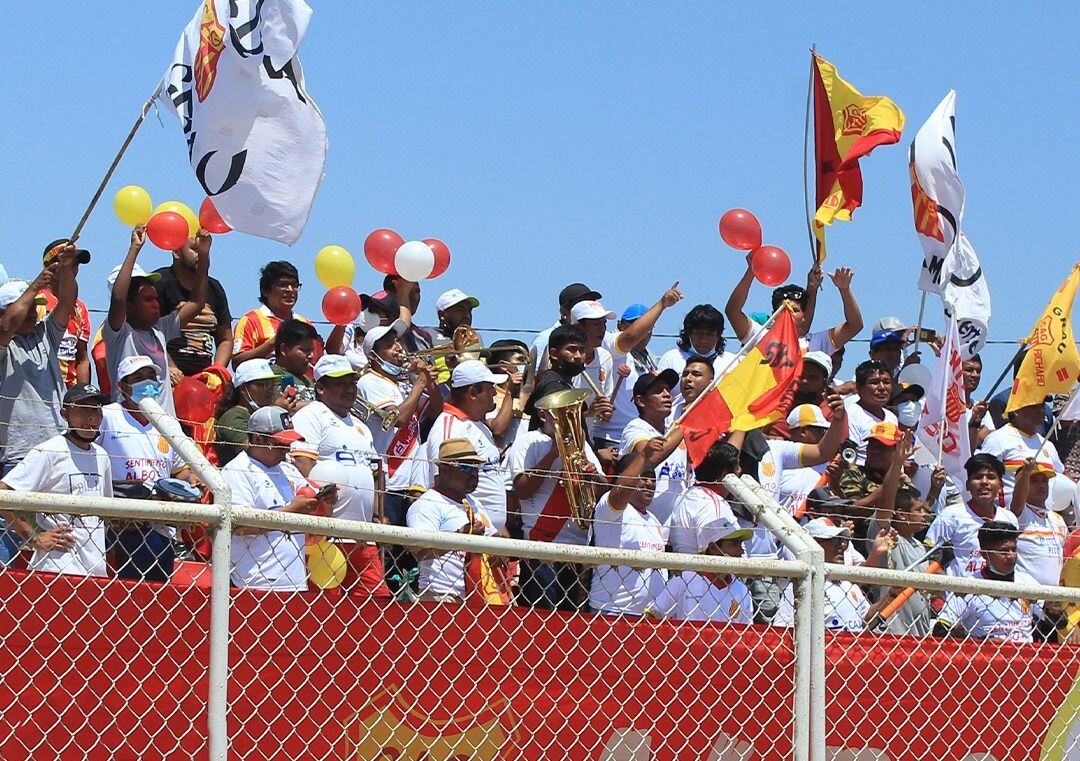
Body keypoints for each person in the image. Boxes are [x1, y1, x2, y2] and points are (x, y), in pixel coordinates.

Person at [290, 354, 389, 598]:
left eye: (352, 383)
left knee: (377, 601)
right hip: (327, 534)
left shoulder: (361, 425)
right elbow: (303, 462)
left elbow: (374, 472)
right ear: (321, 388)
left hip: (363, 534)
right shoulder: (311, 414)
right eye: (340, 384)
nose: (349, 389)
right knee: (326, 604)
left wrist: (378, 513)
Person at [97, 356, 199, 581]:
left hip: (161, 525)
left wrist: (189, 481)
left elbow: (180, 470)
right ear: (123, 386)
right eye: (138, 378)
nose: (148, 382)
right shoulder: (108, 416)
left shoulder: (167, 422)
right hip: (122, 523)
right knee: (124, 589)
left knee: (157, 589)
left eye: (151, 376)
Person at [0, 383, 113, 577]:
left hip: (95, 567)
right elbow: (4, 494)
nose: (91, 417)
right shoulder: (49, 451)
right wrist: (34, 538)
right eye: (83, 408)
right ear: (64, 414)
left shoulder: (102, 456)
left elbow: (107, 512)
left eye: (96, 409)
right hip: (57, 565)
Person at [220, 406, 337, 591]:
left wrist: (326, 498)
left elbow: (314, 501)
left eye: (289, 443)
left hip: (295, 580)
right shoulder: (237, 470)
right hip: (255, 582)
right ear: (258, 439)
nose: (287, 449)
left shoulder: (288, 469)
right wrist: (291, 511)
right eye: (280, 443)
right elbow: (239, 526)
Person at [508, 396, 604, 610]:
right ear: (543, 415)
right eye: (560, 413)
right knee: (543, 616)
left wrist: (591, 475)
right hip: (541, 546)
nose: (568, 419)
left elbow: (603, 490)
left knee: (572, 618)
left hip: (577, 548)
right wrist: (553, 455)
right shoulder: (528, 441)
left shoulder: (581, 445)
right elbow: (522, 489)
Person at [104, 226, 209, 415]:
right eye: (147, 299)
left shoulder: (160, 329)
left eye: (155, 298)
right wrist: (135, 248)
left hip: (164, 424)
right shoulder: (119, 333)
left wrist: (203, 256)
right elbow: (119, 298)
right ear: (129, 305)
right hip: (130, 422)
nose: (155, 304)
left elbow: (196, 303)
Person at [355, 319, 443, 527]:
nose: (398, 347)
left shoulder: (404, 384)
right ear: (373, 356)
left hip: (412, 481)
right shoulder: (370, 381)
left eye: (397, 342)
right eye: (389, 345)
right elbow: (399, 419)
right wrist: (420, 384)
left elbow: (436, 409)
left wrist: (430, 383)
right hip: (389, 480)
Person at [590, 285, 684, 450]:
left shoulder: (652, 359)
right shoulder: (610, 346)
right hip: (612, 438)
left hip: (643, 433)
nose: (644, 331)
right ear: (621, 326)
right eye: (636, 324)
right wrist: (662, 304)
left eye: (649, 327)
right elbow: (630, 337)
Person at [406, 438, 500, 603]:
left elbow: (493, 535)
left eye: (476, 467)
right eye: (466, 467)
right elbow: (421, 552)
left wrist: (498, 549)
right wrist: (461, 536)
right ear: (444, 469)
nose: (473, 473)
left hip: (476, 598)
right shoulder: (427, 504)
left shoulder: (474, 503)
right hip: (440, 596)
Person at [421, 360, 510, 532]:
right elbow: (442, 484)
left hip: (487, 532)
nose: (494, 392)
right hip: (466, 532)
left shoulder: (480, 426)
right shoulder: (450, 426)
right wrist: (464, 529)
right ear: (473, 393)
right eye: (490, 387)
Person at [590, 440, 669, 617]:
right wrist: (644, 455)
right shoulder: (610, 508)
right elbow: (621, 491)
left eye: (652, 479)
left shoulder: (654, 520)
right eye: (643, 477)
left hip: (648, 616)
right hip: (613, 612)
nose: (650, 483)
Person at [726, 261, 862, 355]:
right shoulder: (759, 337)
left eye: (795, 310)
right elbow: (732, 311)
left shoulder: (815, 344)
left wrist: (844, 289)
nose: (789, 313)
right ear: (773, 315)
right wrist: (752, 271)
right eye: (783, 309)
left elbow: (854, 326)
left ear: (804, 316)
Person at [933, 521, 1039, 642]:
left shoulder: (1027, 582)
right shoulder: (968, 587)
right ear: (984, 554)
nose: (1011, 556)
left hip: (1026, 652)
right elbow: (940, 630)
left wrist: (1053, 609)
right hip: (985, 652)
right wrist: (983, 642)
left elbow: (1050, 619)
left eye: (1013, 549)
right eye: (1003, 551)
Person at [926, 454, 1019, 577]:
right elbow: (929, 553)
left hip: (998, 588)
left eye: (991, 477)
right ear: (967, 485)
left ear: (1000, 485)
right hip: (959, 588)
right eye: (978, 477)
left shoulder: (1009, 518)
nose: (984, 482)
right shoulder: (951, 515)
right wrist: (948, 585)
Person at [153, 233, 233, 376]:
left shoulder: (214, 288)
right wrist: (168, 367)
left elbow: (225, 339)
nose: (202, 254)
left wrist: (216, 371)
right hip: (166, 375)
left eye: (205, 250)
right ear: (176, 252)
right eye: (196, 249)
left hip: (204, 377)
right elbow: (148, 335)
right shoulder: (159, 283)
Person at [651, 516, 754, 624]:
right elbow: (655, 613)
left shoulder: (742, 590)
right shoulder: (685, 580)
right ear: (713, 548)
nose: (741, 551)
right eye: (734, 544)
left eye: (740, 544)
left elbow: (746, 630)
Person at [758, 398, 848, 519]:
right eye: (821, 430)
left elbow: (838, 507)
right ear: (803, 431)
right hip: (777, 528)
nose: (825, 434)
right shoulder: (778, 459)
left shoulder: (830, 465)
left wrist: (834, 482)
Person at [619, 369, 688, 524]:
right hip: (641, 523)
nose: (667, 395)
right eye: (658, 391)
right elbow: (650, 459)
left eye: (668, 390)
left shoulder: (674, 431)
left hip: (674, 525)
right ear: (641, 401)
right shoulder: (635, 428)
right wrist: (685, 426)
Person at [231, 261, 321, 368]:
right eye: (283, 285)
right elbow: (237, 362)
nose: (290, 290)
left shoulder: (305, 323)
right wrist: (273, 343)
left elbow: (317, 362)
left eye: (294, 285)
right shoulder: (250, 321)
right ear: (266, 291)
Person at [979, 401, 1064, 505]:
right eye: (1034, 406)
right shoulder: (997, 439)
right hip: (1008, 513)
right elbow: (982, 477)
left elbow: (1062, 477)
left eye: (1042, 406)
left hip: (1044, 514)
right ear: (1016, 410)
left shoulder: (1047, 445)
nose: (1041, 410)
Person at [38, 239, 91, 388]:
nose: (72, 268)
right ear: (49, 265)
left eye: (75, 263)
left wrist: (81, 393)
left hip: (69, 392)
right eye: (66, 262)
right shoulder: (35, 302)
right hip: (39, 389)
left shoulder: (80, 308)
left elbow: (82, 358)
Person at [214, 358, 288, 466]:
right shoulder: (233, 416)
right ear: (244, 389)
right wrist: (274, 413)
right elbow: (256, 452)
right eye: (263, 385)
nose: (270, 390)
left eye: (272, 385)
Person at [657, 304, 734, 405]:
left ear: (718, 335)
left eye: (710, 334)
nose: (704, 340)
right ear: (689, 333)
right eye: (698, 333)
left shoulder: (733, 362)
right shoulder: (671, 358)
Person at [1010, 458, 1068, 588]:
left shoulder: (1058, 519)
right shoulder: (1020, 514)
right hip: (1026, 593)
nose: (1041, 485)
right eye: (1034, 481)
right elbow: (1017, 500)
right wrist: (1025, 473)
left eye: (1045, 481)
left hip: (1055, 594)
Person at [530, 282, 602, 375]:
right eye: (580, 305)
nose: (586, 309)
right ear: (564, 312)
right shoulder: (545, 339)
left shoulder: (598, 338)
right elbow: (535, 377)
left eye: (591, 303)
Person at [766, 351, 833, 440]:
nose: (804, 381)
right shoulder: (778, 403)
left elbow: (832, 445)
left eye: (812, 377)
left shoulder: (831, 412)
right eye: (801, 375)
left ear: (824, 383)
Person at [844, 360, 898, 466]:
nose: (882, 388)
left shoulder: (892, 417)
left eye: (886, 382)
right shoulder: (850, 414)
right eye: (874, 382)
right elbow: (848, 456)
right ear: (859, 387)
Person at [429, 288, 479, 383]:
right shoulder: (428, 335)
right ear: (442, 315)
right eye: (460, 310)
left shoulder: (474, 337)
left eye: (469, 311)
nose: (467, 316)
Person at [269, 319, 320, 405]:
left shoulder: (308, 381)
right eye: (305, 350)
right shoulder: (271, 377)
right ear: (284, 349)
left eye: (312, 350)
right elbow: (288, 406)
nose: (311, 356)